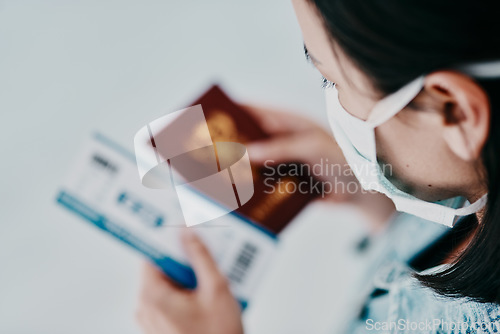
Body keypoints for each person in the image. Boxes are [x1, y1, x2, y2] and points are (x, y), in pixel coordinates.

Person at [135, 0, 500, 333]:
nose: (332, 100)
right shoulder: (473, 203)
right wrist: (373, 198)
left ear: (455, 112)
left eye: (332, 79)